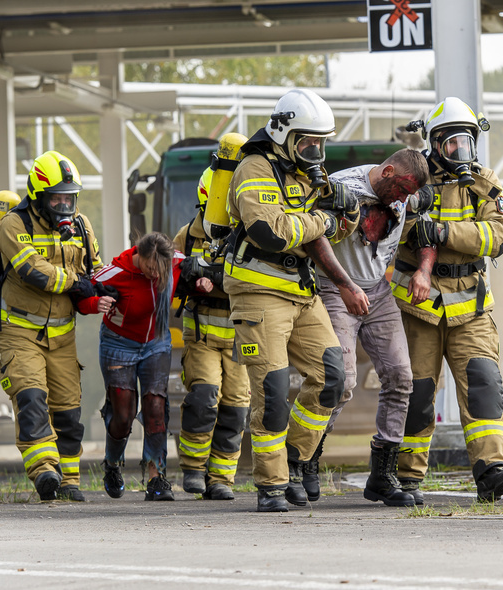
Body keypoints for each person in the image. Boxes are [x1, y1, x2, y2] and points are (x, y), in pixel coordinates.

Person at [224, 88, 360, 512]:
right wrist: (322, 218)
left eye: (320, 143)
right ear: (283, 133)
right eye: (307, 142)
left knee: (333, 377)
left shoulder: (306, 173)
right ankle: (270, 486)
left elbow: (333, 234)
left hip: (301, 291)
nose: (315, 151)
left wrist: (348, 210)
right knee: (273, 388)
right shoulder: (255, 167)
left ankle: (297, 460)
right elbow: (272, 231)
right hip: (258, 291)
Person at [392, 97, 503, 504]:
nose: (458, 152)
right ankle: (406, 478)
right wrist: (421, 229)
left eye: (465, 142)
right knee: (415, 394)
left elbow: (499, 234)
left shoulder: (485, 182)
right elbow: (394, 224)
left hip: (472, 309)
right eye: (450, 144)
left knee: (485, 386)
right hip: (419, 308)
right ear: (433, 144)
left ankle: (493, 470)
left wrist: (447, 235)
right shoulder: (413, 178)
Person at [308, 149, 430, 507]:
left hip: (378, 290)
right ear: (388, 171)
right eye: (401, 189)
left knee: (400, 377)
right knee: (341, 381)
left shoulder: (408, 192)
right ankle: (307, 461)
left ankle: (382, 474)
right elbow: (315, 239)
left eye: (410, 194)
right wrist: (346, 285)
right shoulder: (342, 188)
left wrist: (423, 269)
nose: (403, 199)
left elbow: (425, 230)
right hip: (336, 287)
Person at [0, 150, 102, 502]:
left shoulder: (82, 226)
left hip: (62, 334)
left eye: (70, 198)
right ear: (38, 196)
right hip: (20, 332)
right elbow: (33, 270)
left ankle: (69, 480)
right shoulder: (14, 225)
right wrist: (75, 282)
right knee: (31, 399)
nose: (65, 206)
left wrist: (103, 288)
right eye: (57, 198)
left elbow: (94, 268)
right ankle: (44, 472)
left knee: (69, 411)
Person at [75, 232, 212, 501]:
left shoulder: (174, 262)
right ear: (140, 255)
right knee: (123, 416)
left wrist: (201, 283)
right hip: (119, 344)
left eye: (161, 270)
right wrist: (94, 304)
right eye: (151, 268)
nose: (155, 275)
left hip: (156, 343)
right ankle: (112, 465)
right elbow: (81, 294)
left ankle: (156, 479)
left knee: (156, 409)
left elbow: (195, 275)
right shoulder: (115, 272)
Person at [173, 173, 251, 501]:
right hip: (202, 335)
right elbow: (175, 282)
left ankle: (221, 478)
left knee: (235, 409)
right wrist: (193, 280)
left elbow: (249, 277)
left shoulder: (249, 232)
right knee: (204, 398)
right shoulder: (186, 237)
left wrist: (213, 278)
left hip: (240, 338)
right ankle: (193, 467)